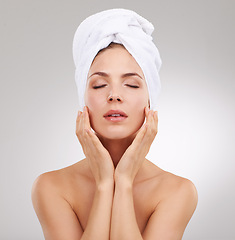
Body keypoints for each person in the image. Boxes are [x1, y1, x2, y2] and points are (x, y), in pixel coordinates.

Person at [31, 9, 198, 240]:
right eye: (99, 85)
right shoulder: (50, 187)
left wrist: (124, 181)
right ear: (83, 100)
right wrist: (104, 184)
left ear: (151, 101)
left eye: (131, 84)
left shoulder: (178, 191)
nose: (114, 95)